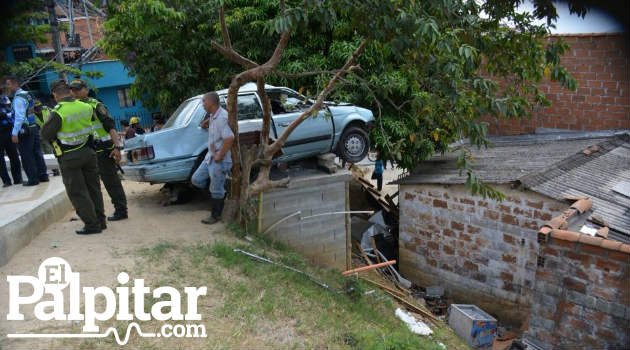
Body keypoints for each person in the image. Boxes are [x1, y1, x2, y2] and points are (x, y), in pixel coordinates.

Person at [40, 79, 105, 234]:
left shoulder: (58, 111)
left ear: (55, 95)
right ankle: (101, 221)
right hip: (89, 152)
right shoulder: (86, 106)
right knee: (94, 188)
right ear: (70, 91)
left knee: (77, 191)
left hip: (70, 157)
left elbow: (45, 134)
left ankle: (91, 225)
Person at [69, 79, 128, 221]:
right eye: (72, 90)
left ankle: (121, 210)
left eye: (78, 89)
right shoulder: (73, 108)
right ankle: (93, 213)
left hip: (103, 149)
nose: (75, 92)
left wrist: (117, 147)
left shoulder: (96, 106)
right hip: (87, 150)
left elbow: (110, 127)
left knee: (110, 181)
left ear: (86, 90)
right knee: (90, 185)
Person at [191, 91, 234, 225]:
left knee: (216, 188)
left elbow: (229, 138)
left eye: (204, 101)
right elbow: (211, 125)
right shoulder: (214, 116)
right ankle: (221, 193)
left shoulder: (222, 117)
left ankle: (216, 215)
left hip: (219, 159)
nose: (202, 104)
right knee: (196, 179)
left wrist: (220, 155)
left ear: (211, 102)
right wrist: (206, 122)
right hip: (210, 157)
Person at [5, 75, 48, 186]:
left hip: (24, 130)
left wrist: (14, 133)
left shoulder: (18, 98)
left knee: (26, 155)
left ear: (15, 84)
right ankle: (43, 176)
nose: (7, 87)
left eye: (9, 84)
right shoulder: (27, 94)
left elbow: (19, 117)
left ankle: (33, 179)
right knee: (37, 152)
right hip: (33, 127)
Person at [0, 95, 22, 187]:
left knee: (14, 156)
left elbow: (12, 114)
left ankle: (17, 179)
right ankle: (6, 181)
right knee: (0, 160)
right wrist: (4, 115)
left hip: (8, 132)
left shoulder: (4, 99)